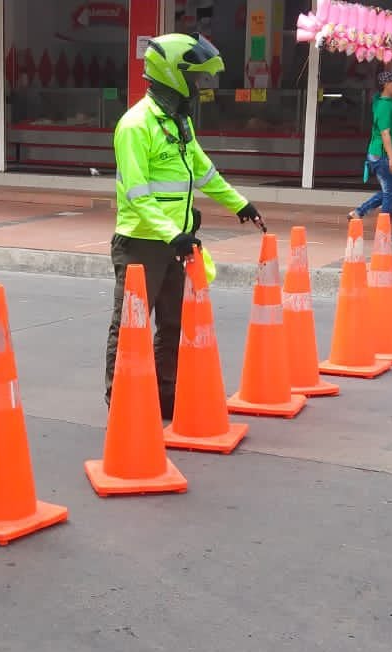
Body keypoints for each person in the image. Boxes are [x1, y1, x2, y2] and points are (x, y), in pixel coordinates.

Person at [108, 32, 262, 417]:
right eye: (194, 77)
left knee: (173, 324)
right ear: (172, 73)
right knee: (132, 325)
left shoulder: (179, 124)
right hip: (141, 242)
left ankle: (165, 396)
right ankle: (121, 399)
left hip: (176, 242)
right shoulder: (135, 126)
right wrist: (171, 233)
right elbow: (137, 195)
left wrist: (239, 203)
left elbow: (204, 172)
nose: (198, 86)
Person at [350, 68, 392, 220]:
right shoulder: (385, 106)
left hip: (379, 154)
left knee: (389, 191)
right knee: (389, 193)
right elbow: (385, 133)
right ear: (386, 84)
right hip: (382, 155)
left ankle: (358, 213)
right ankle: (384, 230)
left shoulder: (381, 102)